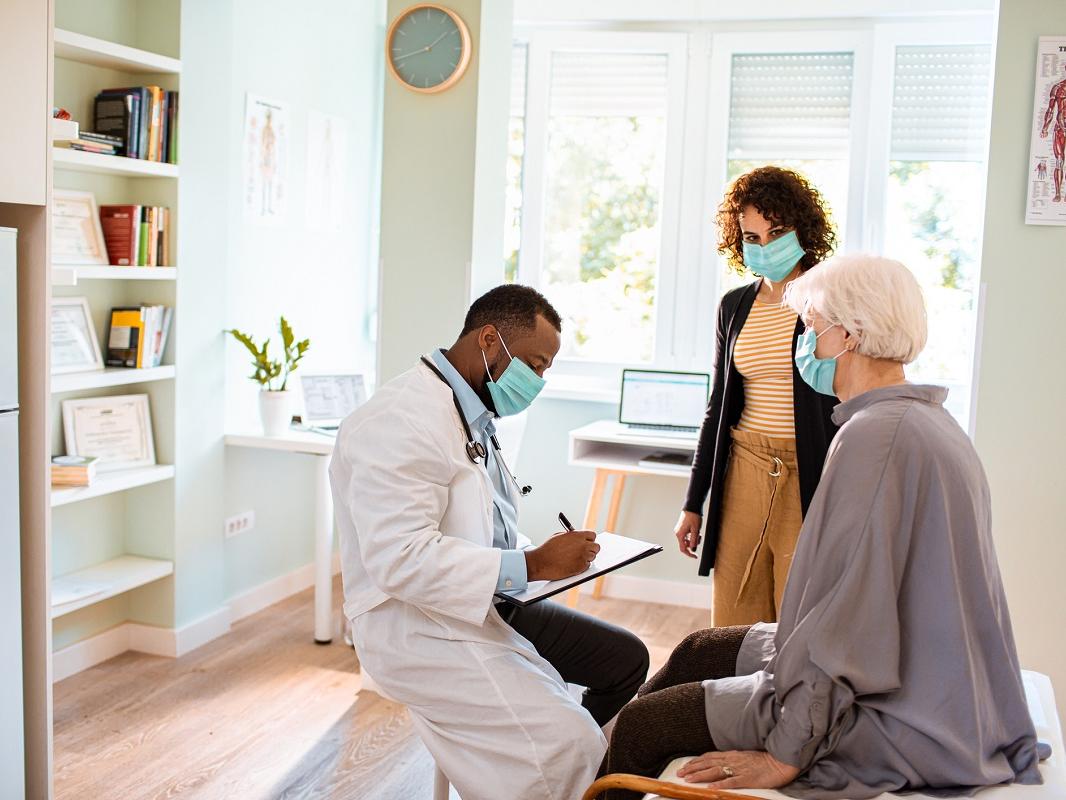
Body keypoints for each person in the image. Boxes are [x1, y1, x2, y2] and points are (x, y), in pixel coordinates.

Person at [597, 255, 1043, 800]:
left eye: (810, 328)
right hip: (923, 676)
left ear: (849, 335)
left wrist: (786, 752)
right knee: (696, 648)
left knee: (649, 727)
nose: (803, 345)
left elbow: (843, 626)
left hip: (898, 709)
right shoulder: (925, 420)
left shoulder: (873, 440)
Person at [330, 284, 650, 800]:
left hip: (484, 602)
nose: (539, 381)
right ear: (489, 340)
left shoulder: (471, 411)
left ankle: (555, 760)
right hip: (414, 624)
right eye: (535, 364)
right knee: (566, 741)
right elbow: (399, 560)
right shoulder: (400, 420)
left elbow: (482, 523)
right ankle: (559, 762)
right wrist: (533, 563)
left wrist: (536, 556)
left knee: (625, 661)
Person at [675, 166, 839, 626]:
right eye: (752, 236)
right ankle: (735, 698)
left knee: (799, 611)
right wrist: (693, 502)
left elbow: (846, 402)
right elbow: (717, 409)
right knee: (734, 611)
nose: (765, 246)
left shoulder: (831, 300)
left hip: (809, 472)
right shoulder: (734, 306)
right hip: (744, 468)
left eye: (777, 232)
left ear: (802, 229)